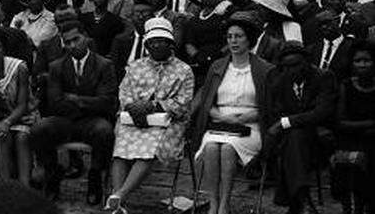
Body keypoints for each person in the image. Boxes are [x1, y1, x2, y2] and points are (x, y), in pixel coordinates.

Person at [188, 11, 275, 214]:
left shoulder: (264, 69)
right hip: (219, 122)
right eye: (230, 37)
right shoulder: (218, 66)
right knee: (210, 147)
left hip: (250, 125)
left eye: (239, 36)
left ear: (249, 39)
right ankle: (213, 202)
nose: (234, 41)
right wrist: (219, 115)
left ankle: (225, 203)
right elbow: (207, 98)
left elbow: (269, 107)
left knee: (228, 148)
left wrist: (245, 117)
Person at [107, 17, 194, 212]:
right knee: (121, 149)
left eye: (162, 41)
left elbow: (183, 104)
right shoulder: (136, 66)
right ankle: (117, 200)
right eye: (152, 42)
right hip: (134, 120)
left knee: (149, 150)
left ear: (170, 44)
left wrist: (154, 106)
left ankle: (119, 196)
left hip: (169, 124)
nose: (157, 45)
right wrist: (132, 107)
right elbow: (124, 93)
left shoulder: (184, 70)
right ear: (146, 44)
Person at [30, 20, 118, 204]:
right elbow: (55, 102)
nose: (72, 45)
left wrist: (75, 99)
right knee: (40, 129)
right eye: (67, 42)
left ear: (86, 38)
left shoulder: (104, 65)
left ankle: (95, 178)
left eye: (76, 39)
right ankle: (52, 175)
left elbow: (107, 102)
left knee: (104, 131)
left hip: (93, 121)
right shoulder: (57, 66)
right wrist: (87, 102)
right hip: (66, 121)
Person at [262, 41, 337, 214]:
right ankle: (302, 198)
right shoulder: (278, 79)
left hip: (318, 139)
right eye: (286, 66)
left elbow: (321, 112)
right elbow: (273, 112)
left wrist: (286, 122)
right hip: (286, 142)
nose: (291, 70)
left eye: (296, 65)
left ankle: (297, 202)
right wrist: (286, 123)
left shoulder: (323, 77)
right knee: (293, 139)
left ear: (306, 62)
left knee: (294, 139)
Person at [0, 28, 33, 186]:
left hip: (20, 115)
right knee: (2, 137)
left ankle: (25, 188)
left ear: (4, 49)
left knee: (22, 137)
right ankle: (7, 187)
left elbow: (23, 104)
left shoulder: (18, 68)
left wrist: (7, 122)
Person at [332, 41, 375, 214]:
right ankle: (351, 207)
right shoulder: (346, 86)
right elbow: (340, 122)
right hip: (350, 138)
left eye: (367, 60)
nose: (362, 65)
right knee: (354, 158)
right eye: (358, 61)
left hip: (372, 138)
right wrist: (369, 124)